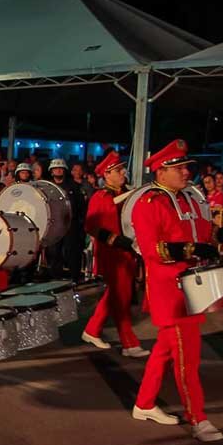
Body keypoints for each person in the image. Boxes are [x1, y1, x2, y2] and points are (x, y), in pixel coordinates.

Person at [131, 139, 223, 442]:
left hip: (194, 287)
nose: (185, 172)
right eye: (179, 168)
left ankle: (143, 403)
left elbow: (205, 233)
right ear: (161, 170)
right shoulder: (148, 203)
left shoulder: (189, 199)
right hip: (172, 291)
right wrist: (192, 248)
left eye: (186, 167)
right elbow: (152, 250)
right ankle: (198, 418)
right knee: (187, 359)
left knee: (167, 350)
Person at [80, 151, 148, 357]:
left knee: (117, 294)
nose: (122, 173)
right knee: (121, 296)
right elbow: (91, 226)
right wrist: (115, 240)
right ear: (106, 175)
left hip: (127, 251)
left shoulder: (129, 193)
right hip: (111, 253)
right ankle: (129, 343)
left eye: (121, 169)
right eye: (117, 170)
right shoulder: (100, 197)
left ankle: (91, 330)